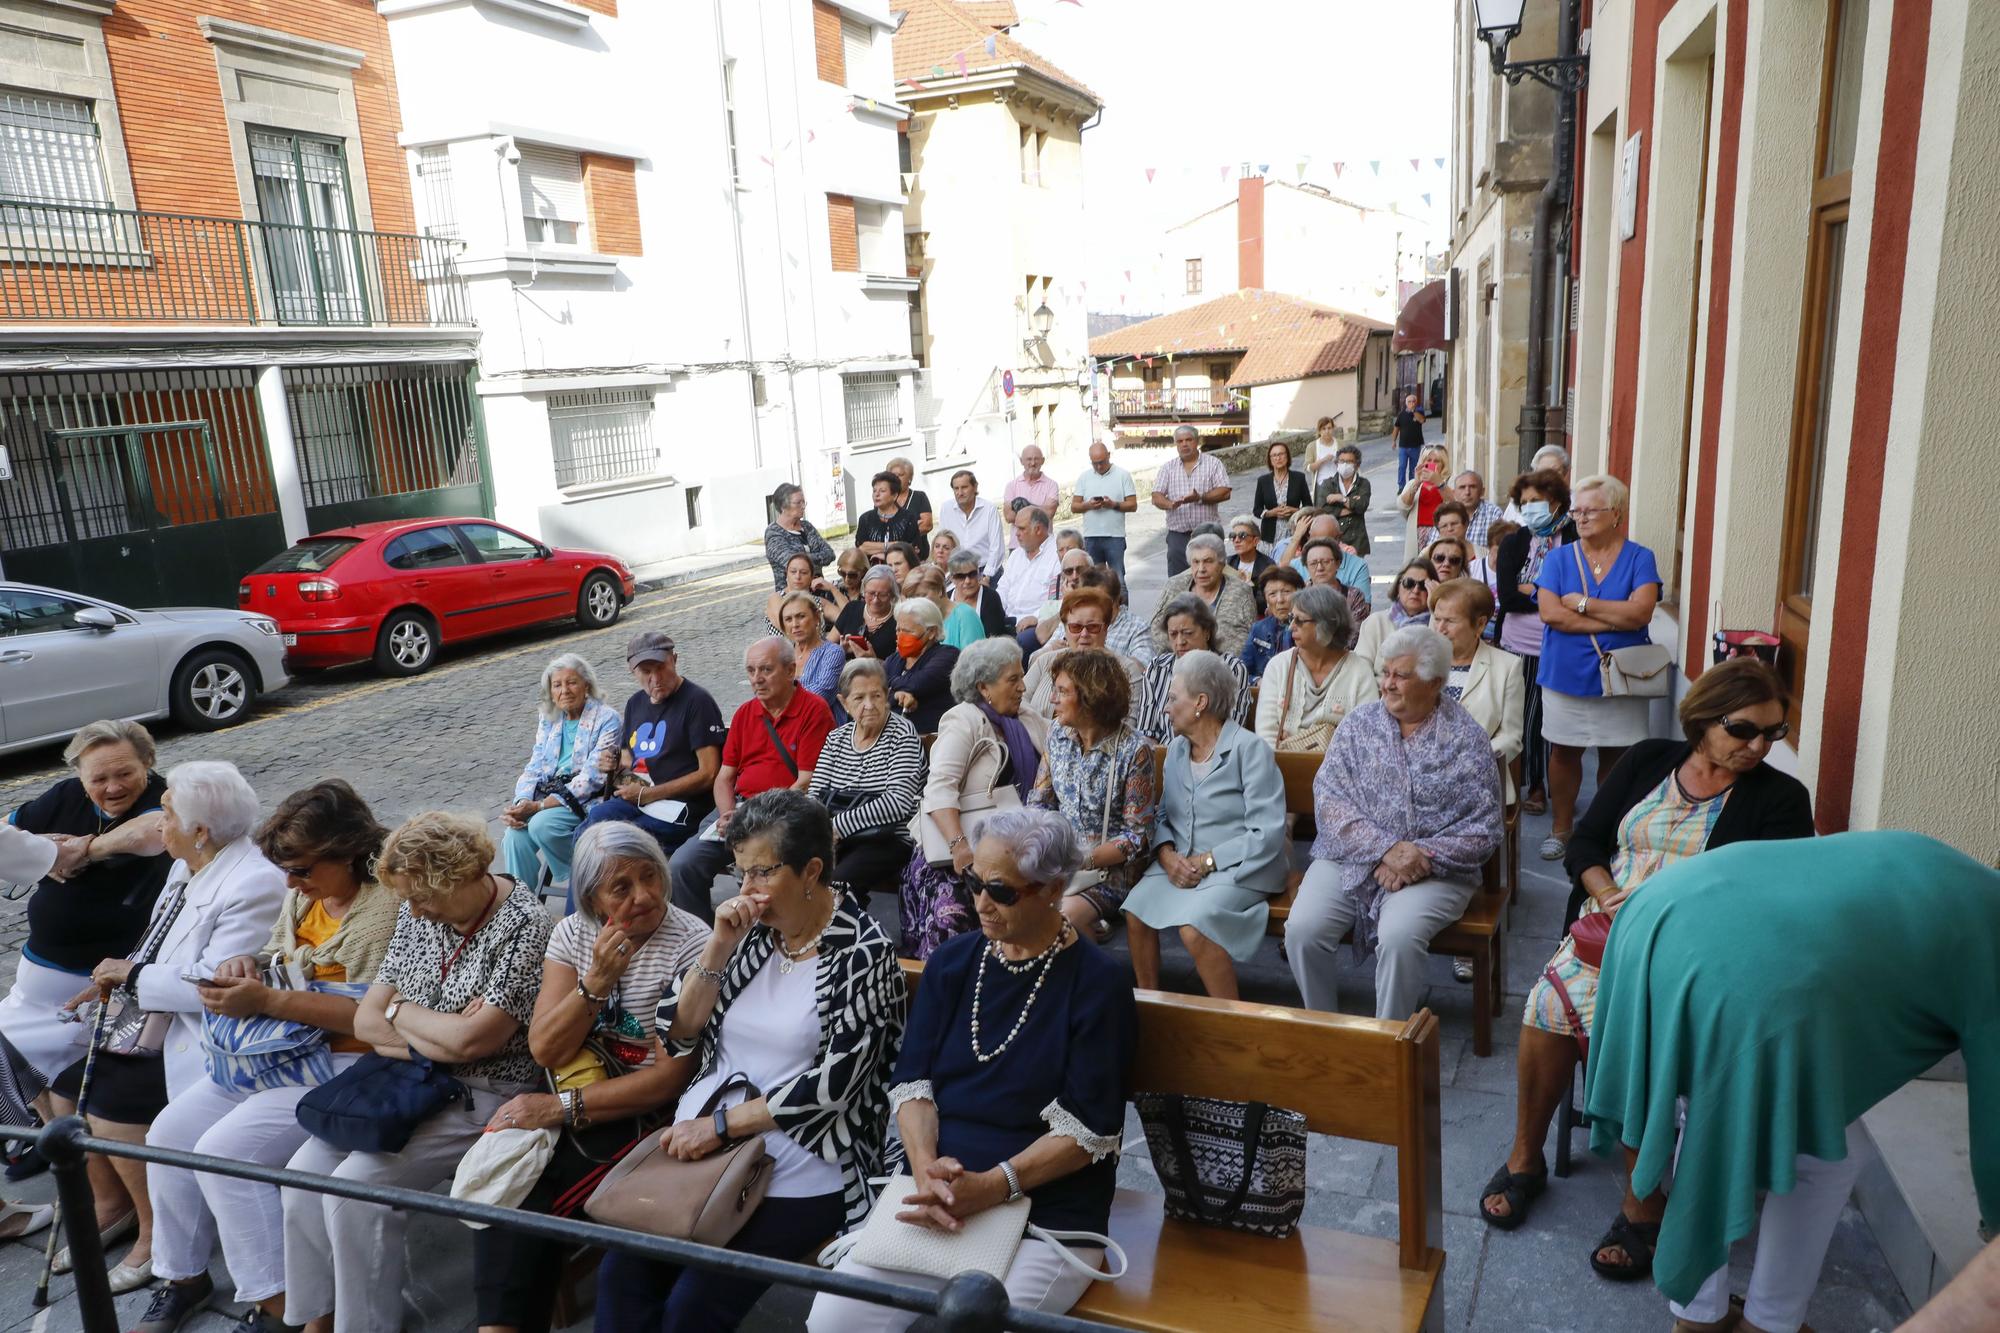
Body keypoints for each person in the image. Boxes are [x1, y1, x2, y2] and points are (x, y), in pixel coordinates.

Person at [1476, 661, 1812, 1282]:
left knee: (1622, 1022)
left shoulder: (1780, 799)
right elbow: (1585, 843)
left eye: (1773, 731)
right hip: (1605, 935)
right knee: (1548, 1007)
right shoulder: (1648, 759)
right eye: (1744, 730)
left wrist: (1675, 918)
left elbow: (1773, 904)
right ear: (1704, 721)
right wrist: (1605, 893)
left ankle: (1642, 1195)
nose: (1759, 746)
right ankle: (1526, 1158)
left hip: (1697, 956)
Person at [1584, 833, 1999, 1332]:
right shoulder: (1989, 927)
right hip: (1750, 976)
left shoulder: (1956, 866)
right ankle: (1750, 1324)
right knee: (1825, 1154)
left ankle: (1707, 1314)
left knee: (1721, 1121)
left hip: (1659, 909)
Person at [807, 807, 1137, 1332]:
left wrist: (990, 1187)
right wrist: (923, 1169)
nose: (979, 901)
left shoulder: (1099, 983)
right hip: (939, 1187)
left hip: (1046, 1210)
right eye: (972, 881)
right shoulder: (954, 962)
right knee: (833, 1319)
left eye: (1001, 891)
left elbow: (1089, 1130)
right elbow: (911, 1084)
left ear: (1053, 889)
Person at [602, 791, 903, 1329]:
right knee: (620, 1273)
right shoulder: (748, 936)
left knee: (694, 1302)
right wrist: (718, 947)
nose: (747, 892)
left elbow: (834, 1087)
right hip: (701, 1146)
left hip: (802, 1161)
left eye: (761, 874)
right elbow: (677, 1035)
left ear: (812, 870)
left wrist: (719, 1127)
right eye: (740, 873)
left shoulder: (863, 953)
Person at [139, 780, 393, 1333]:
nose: (291, 882)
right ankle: (184, 1277)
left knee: (228, 1152)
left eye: (302, 869)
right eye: (287, 869)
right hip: (276, 1048)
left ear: (347, 851)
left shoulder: (385, 907)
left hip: (348, 1061)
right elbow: (277, 954)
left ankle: (283, 1305)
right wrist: (246, 965)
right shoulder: (304, 892)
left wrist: (270, 998)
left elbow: (375, 1021)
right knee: (167, 1135)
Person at [283, 813, 550, 1333]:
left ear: (457, 879)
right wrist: (434, 1036)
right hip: (407, 1078)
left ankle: (365, 1327)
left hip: (484, 1091)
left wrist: (401, 1013)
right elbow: (366, 1018)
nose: (412, 911)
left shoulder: (523, 924)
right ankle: (317, 1318)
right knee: (297, 1179)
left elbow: (477, 1043)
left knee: (352, 1191)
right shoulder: (420, 910)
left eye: (421, 898)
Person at [46, 760, 286, 1296]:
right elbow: (158, 945)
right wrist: (116, 978)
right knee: (64, 1085)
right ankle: (120, 1211)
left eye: (168, 813)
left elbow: (216, 985)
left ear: (200, 831)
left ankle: (159, 1243)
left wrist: (132, 976)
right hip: (152, 1025)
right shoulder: (187, 865)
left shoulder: (253, 883)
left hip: (205, 1043)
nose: (159, 824)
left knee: (110, 1103)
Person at [470, 822, 711, 1333]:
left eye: (651, 876)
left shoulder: (693, 946)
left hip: (647, 1114)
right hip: (571, 1086)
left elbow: (669, 1080)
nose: (644, 895)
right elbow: (544, 1046)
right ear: (591, 897)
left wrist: (559, 1108)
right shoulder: (572, 933)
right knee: (502, 1181)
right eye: (621, 887)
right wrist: (596, 982)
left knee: (527, 1203)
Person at [1284, 627, 1503, 1021]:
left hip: (1434, 870)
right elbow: (1329, 799)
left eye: (1401, 676)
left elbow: (1484, 830)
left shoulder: (1466, 739)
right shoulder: (1359, 724)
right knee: (1303, 930)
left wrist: (1419, 854)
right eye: (1384, 673)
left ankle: (1390, 1043)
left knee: (1399, 937)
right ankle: (1322, 1026)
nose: (1387, 684)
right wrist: (1385, 848)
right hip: (1351, 857)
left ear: (1435, 683)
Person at [0, 720, 171, 1088]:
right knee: (11, 1067)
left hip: (98, 991)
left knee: (58, 1077)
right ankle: (33, 1137)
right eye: (98, 779)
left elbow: (149, 834)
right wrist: (47, 849)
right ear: (80, 777)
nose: (112, 787)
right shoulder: (66, 795)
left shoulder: (161, 798)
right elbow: (7, 829)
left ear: (148, 764)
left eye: (125, 772)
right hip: (33, 985)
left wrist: (81, 851)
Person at [1125, 651, 1288, 1000]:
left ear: (1201, 702)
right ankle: (1149, 1004)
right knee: (1136, 910)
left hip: (1242, 863)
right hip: (1183, 859)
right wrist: (1166, 855)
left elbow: (1267, 832)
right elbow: (1164, 815)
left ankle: (1228, 1017)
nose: (1166, 708)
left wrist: (1208, 861)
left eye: (1172, 698)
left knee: (1194, 927)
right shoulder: (1177, 751)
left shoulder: (1250, 749)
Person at [1536, 474, 1664, 862]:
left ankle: (1604, 828)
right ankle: (1561, 828)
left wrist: (1582, 604)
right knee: (1563, 752)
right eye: (1577, 509)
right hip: (1566, 673)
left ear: (1616, 514)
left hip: (1622, 676)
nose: (1581, 516)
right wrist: (1616, 619)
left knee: (1617, 757)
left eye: (1592, 509)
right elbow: (1551, 615)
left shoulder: (1641, 557)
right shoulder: (1558, 557)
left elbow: (1642, 612)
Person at [668, 638, 834, 923]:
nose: (757, 679)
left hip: (786, 814)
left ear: (790, 670)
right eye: (751, 671)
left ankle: (767, 937)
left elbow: (806, 781)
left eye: (766, 670)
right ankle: (704, 942)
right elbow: (724, 777)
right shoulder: (746, 712)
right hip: (739, 810)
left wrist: (755, 818)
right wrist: (727, 816)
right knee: (682, 866)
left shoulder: (813, 710)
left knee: (767, 870)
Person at [899, 638, 1047, 960]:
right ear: (984, 687)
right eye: (1013, 679)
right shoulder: (963, 720)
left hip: (1014, 844)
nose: (1023, 687)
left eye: (1021, 677)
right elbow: (939, 791)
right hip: (956, 853)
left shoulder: (1027, 718)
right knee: (952, 918)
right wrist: (960, 847)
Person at [1026, 648, 1154, 944]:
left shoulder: (1134, 750)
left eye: (1061, 692)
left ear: (1090, 696)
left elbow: (1136, 837)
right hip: (1059, 864)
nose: (1052, 700)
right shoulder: (1057, 734)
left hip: (1109, 873)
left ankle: (1086, 979)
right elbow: (1040, 801)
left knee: (1059, 918)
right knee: (1009, 899)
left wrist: (1081, 860)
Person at [578, 632, 727, 858]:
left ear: (674, 660)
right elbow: (629, 758)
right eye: (646, 672)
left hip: (682, 809)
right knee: (588, 833)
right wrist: (614, 762)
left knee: (612, 845)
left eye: (661, 667)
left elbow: (709, 773)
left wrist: (650, 794)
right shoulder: (636, 703)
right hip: (641, 801)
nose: (656, 678)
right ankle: (588, 890)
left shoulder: (697, 701)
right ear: (633, 672)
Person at [500, 654, 624, 892]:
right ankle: (521, 906)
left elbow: (592, 776)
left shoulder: (607, 718)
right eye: (557, 685)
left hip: (586, 798)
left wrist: (538, 807)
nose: (564, 690)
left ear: (586, 685)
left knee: (542, 826)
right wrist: (521, 802)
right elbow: (534, 765)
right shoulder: (549, 719)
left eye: (572, 682)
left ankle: (593, 880)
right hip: (546, 796)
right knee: (514, 837)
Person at [807, 660, 927, 898]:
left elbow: (897, 802)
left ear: (887, 696)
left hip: (886, 838)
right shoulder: (836, 738)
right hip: (836, 837)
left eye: (876, 696)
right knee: (795, 876)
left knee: (834, 888)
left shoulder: (902, 734)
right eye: (859, 698)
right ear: (844, 703)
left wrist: (836, 827)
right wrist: (820, 832)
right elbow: (814, 795)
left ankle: (839, 931)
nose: (870, 705)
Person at [1496, 469, 1572, 816]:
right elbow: (1509, 597)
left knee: (1555, 718)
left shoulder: (1573, 539)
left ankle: (1557, 784)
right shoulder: (1514, 542)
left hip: (1561, 643)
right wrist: (1550, 595)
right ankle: (1534, 784)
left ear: (1554, 501)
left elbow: (1578, 594)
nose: (1528, 508)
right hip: (1518, 644)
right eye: (1523, 503)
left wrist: (1538, 592)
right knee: (1525, 718)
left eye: (1535, 501)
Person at [1428, 580, 1525, 795]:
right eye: (1437, 619)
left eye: (1450, 621)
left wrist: (1465, 762)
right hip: (1421, 777)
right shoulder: (1419, 662)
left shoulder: (1507, 667)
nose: (1440, 629)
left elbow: (1511, 738)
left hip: (1479, 783)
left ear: (1480, 624)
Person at [1253, 585, 1377, 751]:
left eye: (1300, 620)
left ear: (1327, 625)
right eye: (1291, 618)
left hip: (1341, 773)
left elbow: (1366, 738)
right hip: (1284, 771)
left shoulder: (1359, 672)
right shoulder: (1279, 666)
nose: (1291, 627)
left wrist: (1296, 744)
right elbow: (1266, 737)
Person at [1135, 595, 1250, 742]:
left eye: (1188, 633)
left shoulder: (1232, 669)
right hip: (1164, 757)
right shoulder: (1157, 668)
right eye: (1173, 634)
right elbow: (1146, 732)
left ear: (1207, 632)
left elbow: (1232, 731)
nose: (1180, 642)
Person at [1021, 587, 1145, 720]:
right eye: (1076, 627)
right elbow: (1019, 701)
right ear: (1065, 629)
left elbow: (1127, 725)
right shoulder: (1045, 661)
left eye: (1093, 627)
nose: (1084, 634)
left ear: (1106, 629)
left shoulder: (1127, 671)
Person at [1147, 533, 1258, 659]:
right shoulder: (1174, 586)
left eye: (1208, 561)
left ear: (1222, 564)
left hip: (1223, 668)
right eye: (1196, 562)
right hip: (1175, 664)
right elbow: (1155, 630)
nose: (1201, 569)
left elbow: (1250, 638)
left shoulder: (1241, 592)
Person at [1151, 424, 1231, 576]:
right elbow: (1156, 496)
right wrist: (1170, 504)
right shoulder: (1168, 468)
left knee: (1211, 576)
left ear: (1197, 441)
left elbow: (1225, 491)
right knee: (1178, 579)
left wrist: (1200, 497)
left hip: (1208, 534)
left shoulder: (1213, 464)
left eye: (1188, 440)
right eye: (1180, 441)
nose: (1184, 444)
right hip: (1178, 535)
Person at [883, 597, 960, 733]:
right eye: (898, 630)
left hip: (932, 737)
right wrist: (896, 695)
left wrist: (891, 685)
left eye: (907, 631)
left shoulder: (948, 655)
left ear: (931, 632)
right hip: (893, 736)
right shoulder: (893, 660)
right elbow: (877, 693)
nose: (900, 636)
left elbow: (918, 683)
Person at [1355, 557, 1437, 667]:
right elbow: (1361, 670)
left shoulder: (1438, 624)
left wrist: (1435, 609)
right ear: (1398, 587)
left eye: (1423, 586)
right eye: (1409, 583)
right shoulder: (1376, 622)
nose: (1416, 590)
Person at [1070, 440, 1137, 576]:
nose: (1099, 466)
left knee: (1118, 579)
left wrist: (1113, 505)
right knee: (1093, 579)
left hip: (1115, 536)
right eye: (1095, 463)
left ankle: (1119, 599)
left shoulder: (1123, 475)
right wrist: (1088, 505)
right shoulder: (1084, 477)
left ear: (1109, 455)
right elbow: (1074, 507)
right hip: (1091, 536)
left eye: (1102, 462)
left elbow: (1133, 505)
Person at [996, 504, 1058, 633]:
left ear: (1038, 529)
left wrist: (1036, 617)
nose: (1016, 534)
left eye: (1021, 529)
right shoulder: (1016, 555)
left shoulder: (1057, 553)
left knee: (1024, 641)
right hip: (1007, 619)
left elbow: (1057, 600)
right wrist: (995, 611)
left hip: (1037, 623)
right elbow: (1003, 588)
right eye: (1015, 528)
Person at [780, 590, 846, 709]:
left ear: (816, 617)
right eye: (788, 619)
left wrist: (779, 699)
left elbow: (820, 695)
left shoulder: (832, 653)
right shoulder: (781, 655)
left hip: (820, 723)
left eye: (801, 616)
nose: (795, 624)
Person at [763, 482, 836, 590]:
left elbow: (830, 554)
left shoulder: (807, 527)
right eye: (798, 503)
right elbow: (793, 563)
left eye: (803, 502)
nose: (803, 506)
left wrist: (805, 557)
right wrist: (816, 558)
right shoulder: (774, 533)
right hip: (791, 596)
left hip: (818, 591)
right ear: (783, 506)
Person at [1240, 565, 1305, 684]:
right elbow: (1242, 672)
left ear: (1299, 593)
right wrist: (1259, 681)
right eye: (1272, 594)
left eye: (1286, 592)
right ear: (1266, 600)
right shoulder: (1259, 629)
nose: (1280, 600)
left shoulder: (1310, 627)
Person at [1301, 538, 1371, 645]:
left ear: (1338, 564)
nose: (1320, 568)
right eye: (1313, 563)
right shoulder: (1299, 598)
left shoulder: (1354, 596)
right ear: (1306, 566)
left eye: (1326, 562)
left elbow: (1356, 637)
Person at [939, 469, 1005, 577]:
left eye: (964, 487)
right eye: (956, 488)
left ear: (975, 487)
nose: (960, 493)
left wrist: (986, 576)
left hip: (986, 569)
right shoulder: (946, 509)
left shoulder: (989, 509)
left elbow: (997, 548)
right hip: (957, 571)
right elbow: (944, 543)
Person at [1314, 442, 1372, 560]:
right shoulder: (1327, 484)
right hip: (1333, 540)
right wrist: (1351, 507)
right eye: (1341, 461)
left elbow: (1362, 506)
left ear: (1357, 465)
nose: (1345, 464)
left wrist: (1341, 498)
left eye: (1349, 461)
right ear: (1336, 463)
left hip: (1357, 541)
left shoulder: (1363, 484)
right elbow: (1322, 510)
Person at [1251, 439, 1310, 548]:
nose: (1278, 458)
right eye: (1274, 455)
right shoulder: (1263, 481)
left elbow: (1309, 507)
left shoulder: (1299, 478)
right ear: (1270, 459)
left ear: (1287, 456)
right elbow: (1257, 510)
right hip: (1269, 536)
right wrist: (1271, 513)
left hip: (1294, 533)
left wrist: (1294, 511)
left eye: (1281, 454)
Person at [1031, 547, 1094, 647]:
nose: (1074, 576)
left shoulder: (1099, 603)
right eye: (1069, 571)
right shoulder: (1051, 605)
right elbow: (1042, 636)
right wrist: (1067, 604)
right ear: (1063, 577)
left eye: (1080, 570)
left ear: (1092, 572)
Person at [836, 564, 901, 662]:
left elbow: (900, 667)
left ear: (892, 595)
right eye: (871, 593)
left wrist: (873, 660)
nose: (875, 600)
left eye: (883, 595)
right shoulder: (852, 608)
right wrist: (841, 650)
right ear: (864, 590)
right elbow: (828, 644)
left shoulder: (899, 621)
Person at [765, 551, 833, 637]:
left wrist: (832, 588)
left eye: (803, 572)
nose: (797, 577)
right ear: (786, 575)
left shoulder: (818, 602)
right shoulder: (777, 598)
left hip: (816, 650)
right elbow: (787, 628)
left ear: (812, 577)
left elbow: (848, 615)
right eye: (793, 572)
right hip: (783, 649)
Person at [944, 550, 1008, 641]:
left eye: (972, 574)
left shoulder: (990, 598)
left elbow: (993, 637)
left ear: (978, 573)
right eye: (961, 576)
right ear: (952, 578)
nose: (967, 581)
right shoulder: (946, 599)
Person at [918, 558, 983, 649]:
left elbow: (974, 660)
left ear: (939, 590)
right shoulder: (918, 618)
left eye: (922, 596)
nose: (917, 602)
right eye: (912, 598)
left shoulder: (965, 616)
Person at [1003, 447, 1060, 548]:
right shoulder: (1011, 486)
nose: (1033, 463)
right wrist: (1038, 510)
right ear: (1021, 461)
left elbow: (1049, 513)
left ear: (1043, 461)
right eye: (1029, 459)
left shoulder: (1051, 485)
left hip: (1044, 546)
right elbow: (1009, 516)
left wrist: (1022, 506)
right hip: (1018, 546)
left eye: (1036, 459)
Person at [1398, 443, 1451, 549]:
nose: (1432, 463)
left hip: (1441, 531)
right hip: (1418, 532)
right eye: (1428, 460)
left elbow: (1454, 504)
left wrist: (1439, 483)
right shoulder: (1414, 483)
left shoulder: (1449, 483)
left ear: (1443, 464)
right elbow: (1402, 506)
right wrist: (1416, 483)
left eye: (1436, 461)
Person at [1502, 445, 1573, 521]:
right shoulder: (1517, 503)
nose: (1549, 477)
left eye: (1555, 471)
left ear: (1565, 473)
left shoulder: (1576, 502)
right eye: (1543, 472)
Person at [886, 456, 934, 561]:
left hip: (918, 558)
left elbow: (927, 525)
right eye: (893, 475)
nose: (897, 478)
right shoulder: (885, 500)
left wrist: (895, 532)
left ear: (910, 478)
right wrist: (911, 527)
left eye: (901, 475)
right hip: (892, 559)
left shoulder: (919, 497)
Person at [1226, 516, 1276, 613]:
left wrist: (1247, 585)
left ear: (1255, 541)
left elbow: (1265, 602)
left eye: (1242, 535)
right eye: (1233, 536)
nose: (1236, 540)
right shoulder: (1228, 562)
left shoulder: (1268, 566)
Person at [1452, 470, 1504, 550]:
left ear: (1482, 492)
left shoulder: (1494, 514)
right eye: (1462, 487)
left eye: (1472, 487)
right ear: (1454, 493)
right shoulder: (1446, 514)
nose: (1467, 492)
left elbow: (1500, 550)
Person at [1392, 391, 1427, 490]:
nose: (1412, 403)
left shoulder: (1419, 412)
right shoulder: (1401, 414)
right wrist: (1394, 441)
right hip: (1403, 446)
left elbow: (1421, 420)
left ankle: (1412, 486)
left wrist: (1413, 412)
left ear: (1416, 403)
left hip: (1415, 446)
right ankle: (1401, 487)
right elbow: (1396, 428)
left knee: (1413, 468)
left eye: (1413, 401)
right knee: (1402, 467)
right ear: (1406, 403)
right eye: (1409, 401)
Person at [825, 547, 870, 620]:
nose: (847, 579)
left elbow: (855, 618)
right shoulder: (833, 586)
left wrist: (833, 590)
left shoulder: (870, 592)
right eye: (842, 573)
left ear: (863, 572)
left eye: (852, 575)